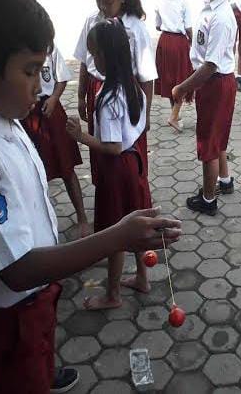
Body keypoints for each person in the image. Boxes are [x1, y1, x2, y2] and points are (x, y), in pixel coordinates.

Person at [0, 0, 181, 393]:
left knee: (37, 371)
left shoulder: (1, 118)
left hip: (30, 311)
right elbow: (17, 270)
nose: (39, 85)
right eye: (30, 71)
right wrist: (116, 236)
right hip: (4, 325)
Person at [67, 19, 152, 310]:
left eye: (94, 54)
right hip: (135, 163)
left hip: (117, 170)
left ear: (106, 56)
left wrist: (81, 137)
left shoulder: (109, 98)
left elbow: (113, 147)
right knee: (137, 223)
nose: (92, 60)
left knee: (116, 233)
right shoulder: (133, 87)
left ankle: (112, 295)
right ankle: (142, 276)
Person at [75, 0, 158, 185]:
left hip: (126, 97)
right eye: (98, 1)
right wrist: (81, 96)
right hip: (98, 92)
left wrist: (146, 114)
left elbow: (147, 77)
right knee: (102, 149)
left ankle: (132, 194)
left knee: (126, 153)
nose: (103, 7)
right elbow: (85, 61)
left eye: (109, 1)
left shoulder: (136, 28)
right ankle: (108, 190)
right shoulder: (92, 21)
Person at [172, 0, 238, 216]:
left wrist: (182, 87)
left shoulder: (221, 17)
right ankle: (225, 180)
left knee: (208, 143)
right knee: (216, 136)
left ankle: (208, 199)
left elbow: (210, 65)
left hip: (216, 82)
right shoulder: (210, 6)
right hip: (212, 81)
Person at [20, 44, 91, 239]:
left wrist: (53, 98)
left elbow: (61, 78)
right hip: (27, 113)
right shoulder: (17, 50)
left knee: (66, 166)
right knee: (32, 172)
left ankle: (82, 218)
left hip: (51, 110)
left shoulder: (50, 48)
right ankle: (38, 224)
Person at [155, 0, 194, 133]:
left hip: (164, 41)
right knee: (183, 79)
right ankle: (173, 116)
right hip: (179, 43)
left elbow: (157, 26)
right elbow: (188, 27)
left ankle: (175, 115)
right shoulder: (184, 2)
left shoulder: (161, 2)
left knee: (170, 79)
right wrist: (192, 42)